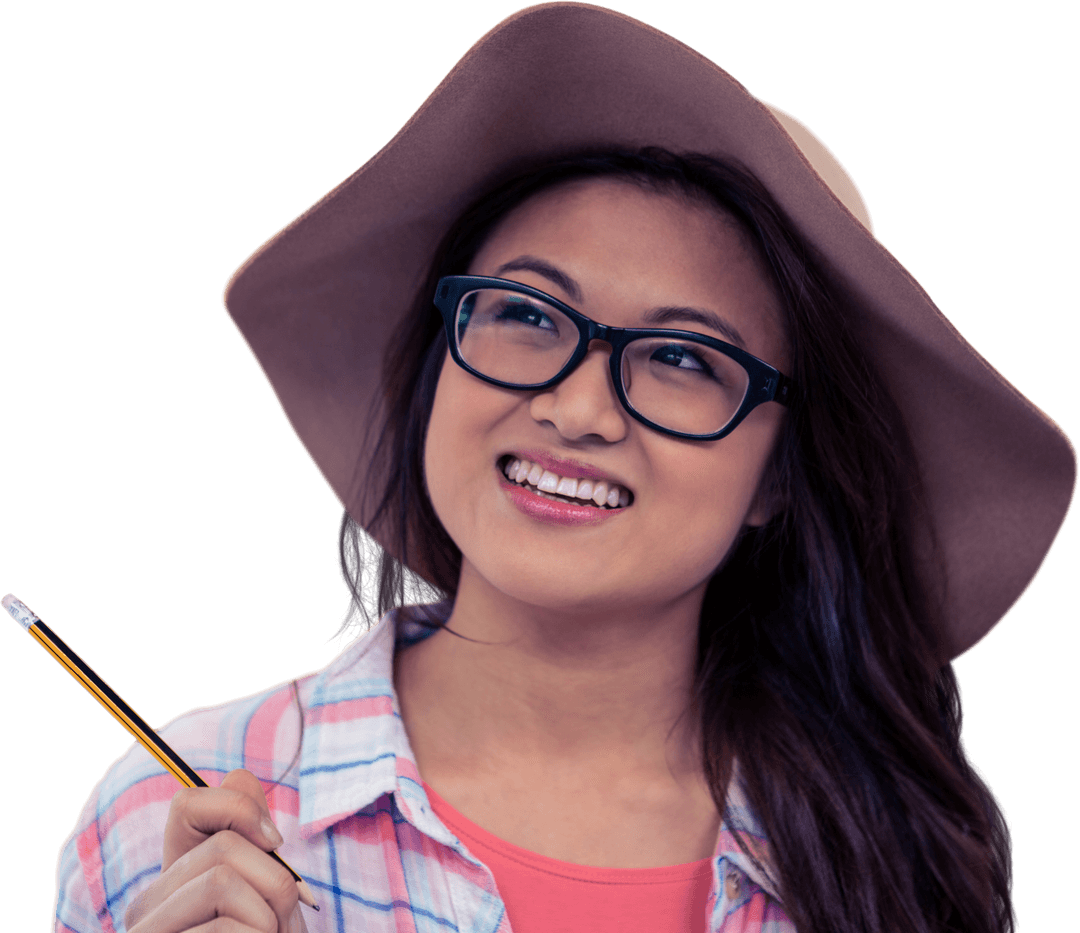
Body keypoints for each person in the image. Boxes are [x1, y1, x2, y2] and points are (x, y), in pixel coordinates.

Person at [51, 5, 1075, 933]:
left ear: (777, 478)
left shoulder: (896, 864)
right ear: (435, 363)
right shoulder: (171, 818)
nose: (576, 410)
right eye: (527, 314)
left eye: (683, 358)